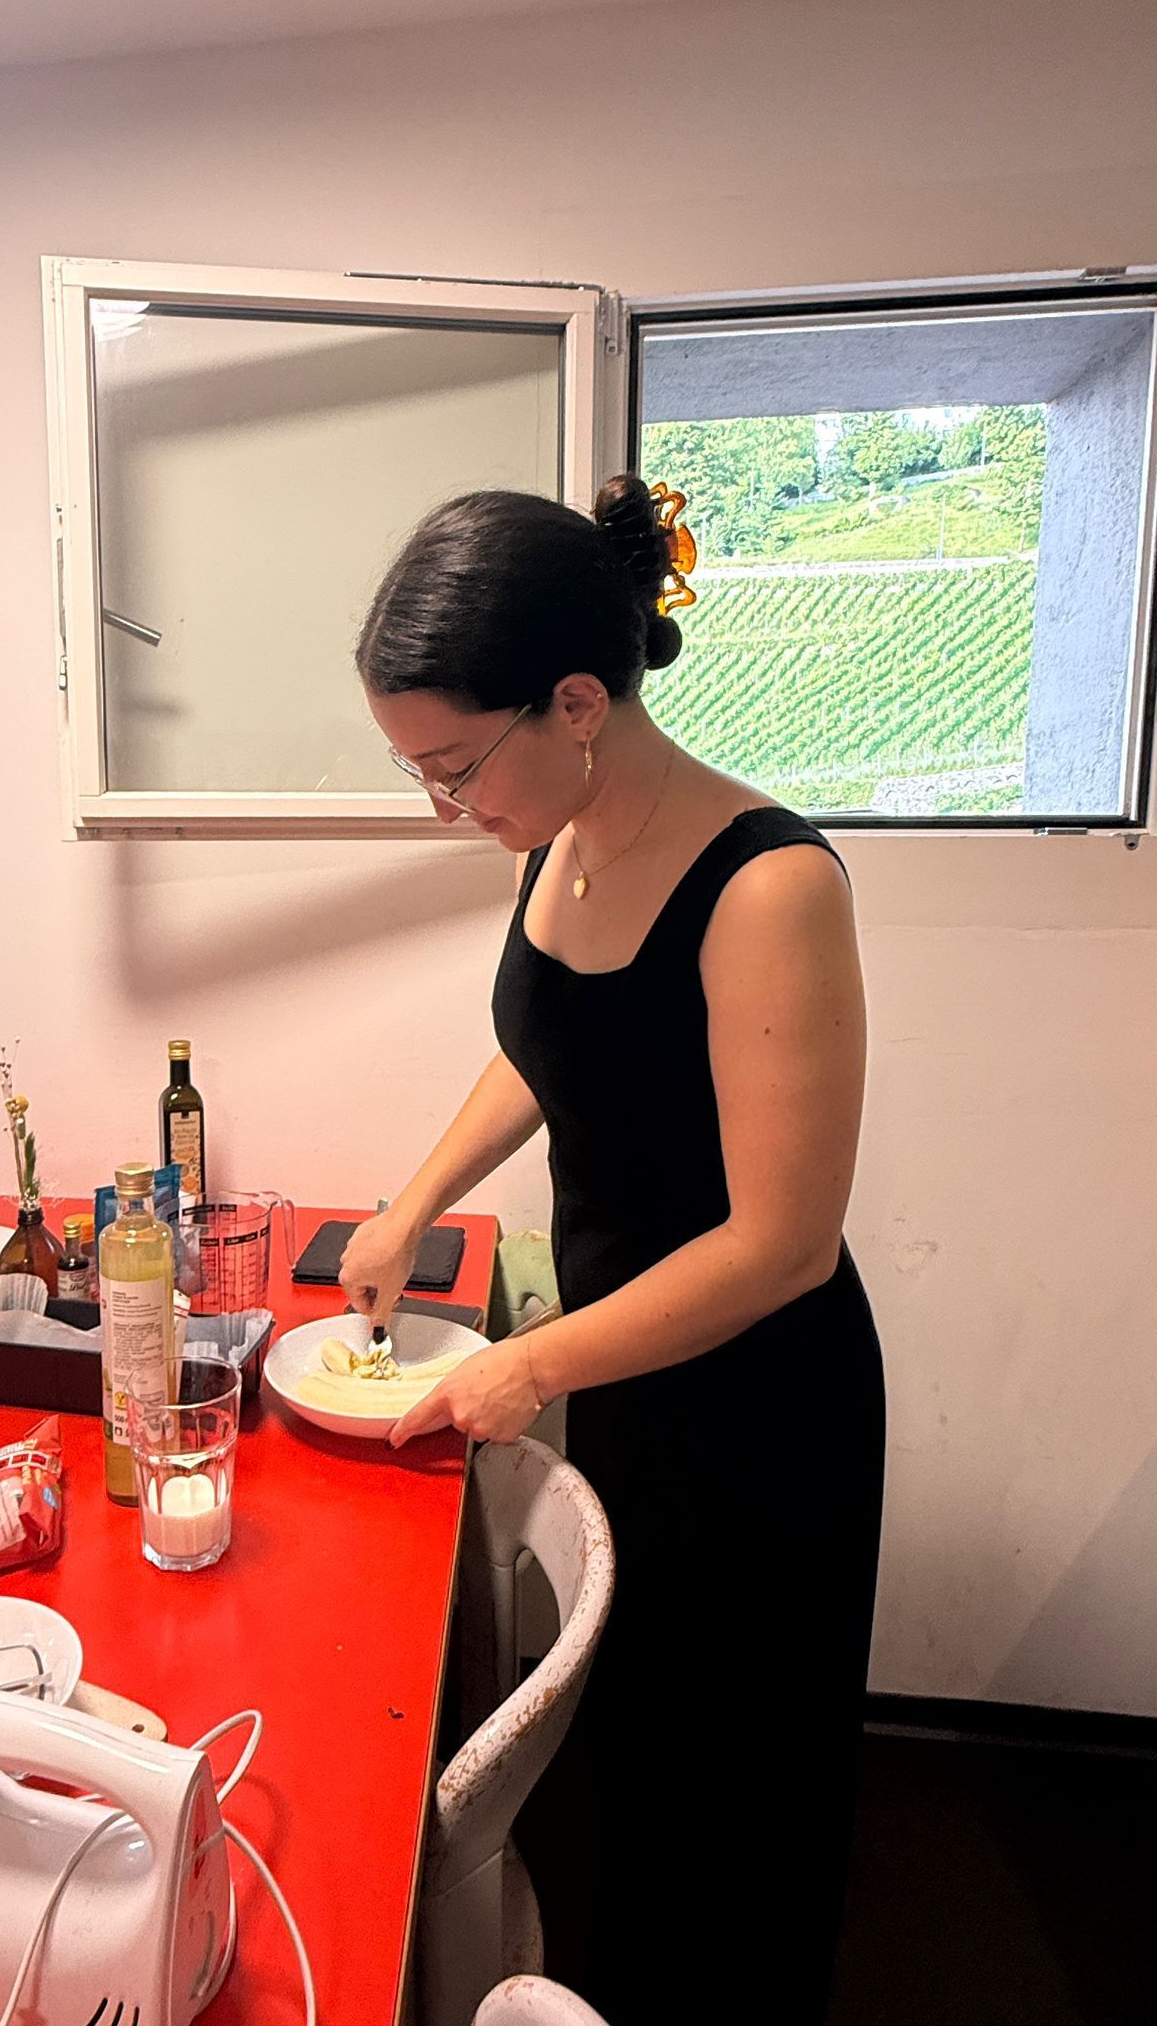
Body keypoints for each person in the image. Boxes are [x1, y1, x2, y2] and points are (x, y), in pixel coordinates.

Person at [339, 476, 887, 2023]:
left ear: (577, 702)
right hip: (631, 1366)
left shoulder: (770, 887)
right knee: (638, 1750)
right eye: (418, 772)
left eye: (455, 766)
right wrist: (414, 1203)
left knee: (738, 1788)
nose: (447, 807)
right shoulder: (559, 832)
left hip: (763, 1405)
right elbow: (556, 1045)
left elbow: (782, 1245)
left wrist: (530, 1363)